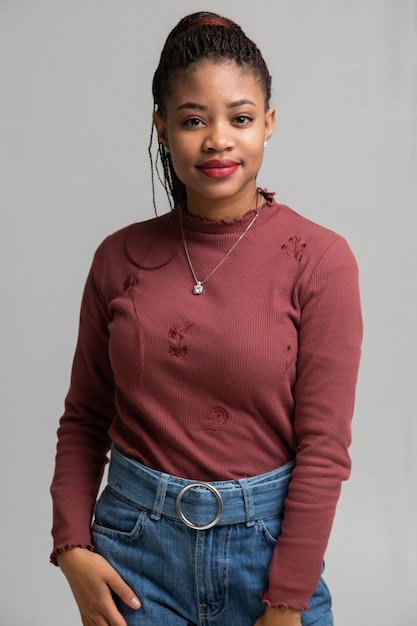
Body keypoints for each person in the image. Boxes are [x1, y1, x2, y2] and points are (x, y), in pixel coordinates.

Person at [50, 11, 362, 626]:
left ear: (268, 124)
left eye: (240, 118)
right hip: (134, 557)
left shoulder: (320, 259)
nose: (218, 139)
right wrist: (71, 547)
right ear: (162, 128)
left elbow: (324, 449)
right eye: (194, 120)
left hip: (268, 561)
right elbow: (85, 416)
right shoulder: (118, 256)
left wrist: (288, 599)